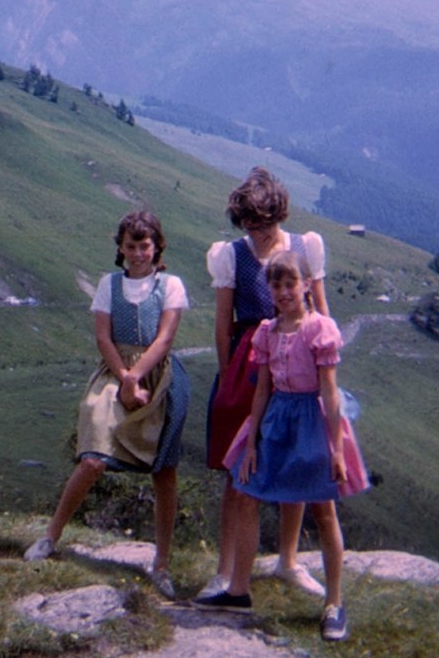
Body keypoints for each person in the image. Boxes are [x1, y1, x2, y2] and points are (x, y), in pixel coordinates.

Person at [199, 250, 368, 642]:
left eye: (291, 283)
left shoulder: (319, 329)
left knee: (323, 509)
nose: (284, 292)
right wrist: (251, 442)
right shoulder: (267, 332)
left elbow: (329, 391)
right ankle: (238, 590)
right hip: (277, 418)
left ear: (306, 285)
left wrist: (336, 448)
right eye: (276, 285)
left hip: (312, 421)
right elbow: (262, 390)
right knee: (246, 493)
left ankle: (334, 603)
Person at [24, 210, 191, 599]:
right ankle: (50, 537)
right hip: (114, 373)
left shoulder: (170, 285)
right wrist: (125, 378)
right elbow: (103, 337)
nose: (138, 253)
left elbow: (165, 339)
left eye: (145, 246)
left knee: (164, 471)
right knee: (93, 458)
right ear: (121, 248)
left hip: (159, 378)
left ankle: (161, 563)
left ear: (157, 247)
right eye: (131, 246)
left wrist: (138, 377)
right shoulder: (108, 285)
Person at [201, 167, 329, 599]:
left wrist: (324, 367)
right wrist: (227, 378)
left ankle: (288, 561)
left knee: (294, 456)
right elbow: (223, 322)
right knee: (238, 465)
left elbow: (320, 310)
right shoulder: (230, 255)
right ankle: (225, 571)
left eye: (264, 225)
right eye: (249, 226)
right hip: (248, 361)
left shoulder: (304, 247)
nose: (257, 234)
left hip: (298, 358)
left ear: (279, 216)